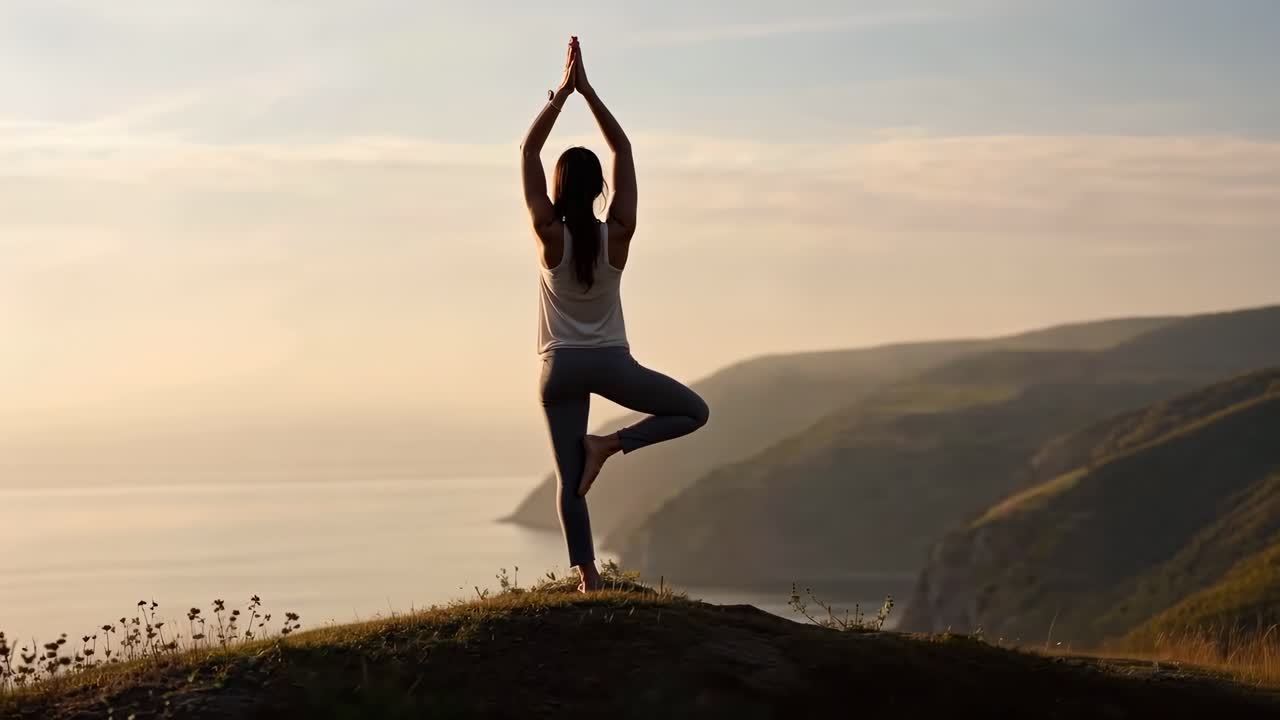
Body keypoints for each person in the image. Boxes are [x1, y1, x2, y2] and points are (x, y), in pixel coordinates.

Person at [520, 37, 710, 592]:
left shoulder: (546, 236)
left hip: (558, 370)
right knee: (693, 412)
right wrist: (590, 94)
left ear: (556, 188)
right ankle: (612, 445)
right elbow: (623, 151)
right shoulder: (618, 237)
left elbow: (529, 154)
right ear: (601, 188)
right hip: (610, 364)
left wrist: (559, 96)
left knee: (568, 479)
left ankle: (587, 577)